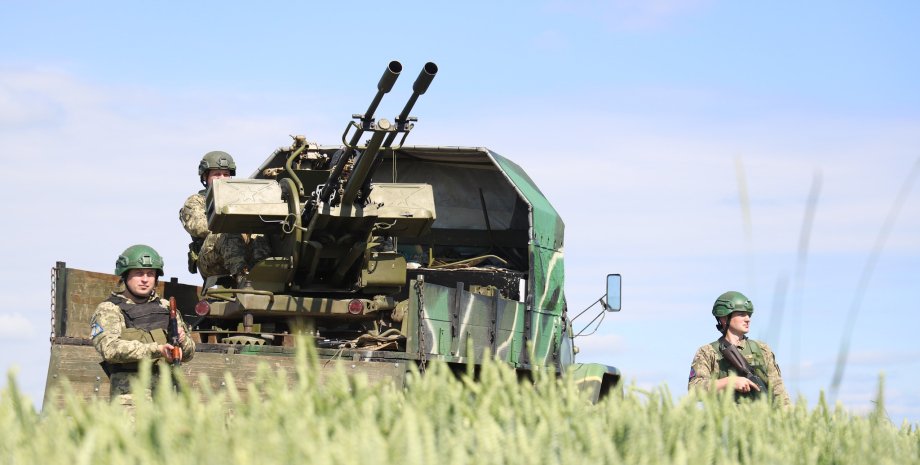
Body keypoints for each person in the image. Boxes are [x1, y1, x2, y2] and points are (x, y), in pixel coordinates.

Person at [89, 244, 196, 404]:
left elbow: (188, 354)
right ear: (125, 276)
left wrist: (183, 341)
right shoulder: (109, 309)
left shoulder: (166, 308)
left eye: (150, 274)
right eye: (139, 273)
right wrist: (157, 349)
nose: (145, 279)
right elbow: (110, 349)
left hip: (167, 399)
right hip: (130, 400)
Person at [179, 150, 270, 287]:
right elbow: (199, 228)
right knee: (226, 230)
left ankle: (261, 274)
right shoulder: (196, 201)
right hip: (210, 260)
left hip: (243, 252)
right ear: (205, 177)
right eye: (216, 174)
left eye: (226, 174)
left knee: (259, 232)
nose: (222, 178)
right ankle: (242, 278)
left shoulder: (241, 200)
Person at [688, 291, 791, 406]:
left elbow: (779, 392)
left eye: (748, 314)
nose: (748, 319)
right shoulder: (707, 352)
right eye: (741, 314)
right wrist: (729, 382)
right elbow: (694, 390)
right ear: (724, 318)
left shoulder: (762, 350)